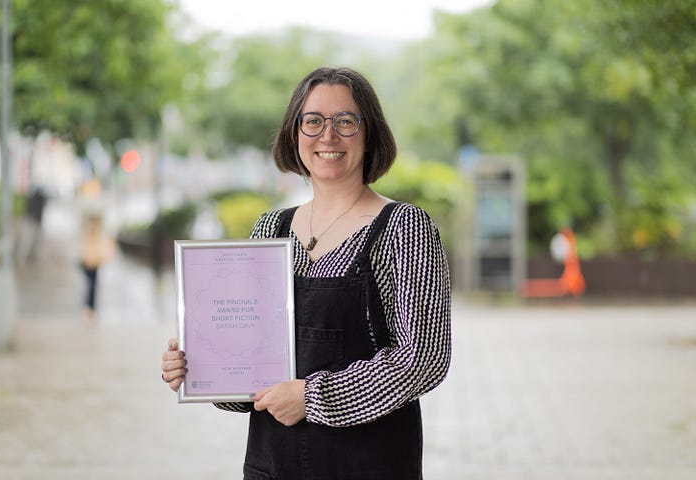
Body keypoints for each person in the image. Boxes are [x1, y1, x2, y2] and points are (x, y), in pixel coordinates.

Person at [161, 66, 452, 479]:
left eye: (345, 122)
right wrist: (201, 368)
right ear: (294, 134)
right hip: (272, 464)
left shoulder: (405, 227)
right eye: (312, 121)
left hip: (371, 463)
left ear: (370, 135)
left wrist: (313, 398)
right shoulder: (269, 229)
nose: (327, 136)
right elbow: (251, 375)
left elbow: (424, 358)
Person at [79, 211, 116, 322]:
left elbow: (105, 249)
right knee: (91, 286)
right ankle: (88, 309)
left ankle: (91, 309)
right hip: (87, 263)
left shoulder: (100, 235)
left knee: (93, 286)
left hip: (95, 263)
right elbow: (83, 249)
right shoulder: (87, 234)